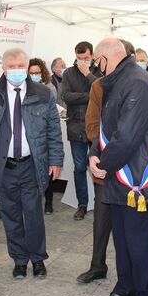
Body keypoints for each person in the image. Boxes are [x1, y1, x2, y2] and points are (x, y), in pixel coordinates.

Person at [89, 38, 148, 296]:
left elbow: (126, 137)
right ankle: (125, 287)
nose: (95, 65)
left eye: (96, 60)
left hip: (137, 178)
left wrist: (102, 165)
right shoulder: (119, 80)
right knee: (123, 239)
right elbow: (108, 127)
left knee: (137, 241)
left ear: (105, 58)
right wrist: (94, 152)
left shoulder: (136, 82)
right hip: (121, 174)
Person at [0, 48, 64, 279]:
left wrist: (55, 160)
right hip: (4, 166)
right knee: (11, 215)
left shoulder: (44, 94)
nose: (16, 70)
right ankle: (19, 260)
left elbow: (54, 130)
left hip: (31, 164)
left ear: (27, 67)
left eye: (20, 66)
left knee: (33, 214)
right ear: (3, 68)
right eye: (11, 66)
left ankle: (37, 258)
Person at [77, 39, 135, 285]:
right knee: (102, 220)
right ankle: (97, 265)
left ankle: (131, 274)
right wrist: (102, 151)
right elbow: (92, 124)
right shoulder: (99, 86)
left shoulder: (141, 84)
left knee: (131, 227)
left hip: (133, 169)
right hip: (103, 162)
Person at [61, 41, 102, 220]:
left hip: (96, 127)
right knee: (79, 167)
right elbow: (67, 96)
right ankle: (82, 204)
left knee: (99, 166)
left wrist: (88, 75)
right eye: (79, 58)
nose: (82, 62)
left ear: (92, 55)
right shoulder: (69, 73)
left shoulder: (100, 71)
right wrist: (89, 97)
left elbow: (103, 91)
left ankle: (100, 203)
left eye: (85, 58)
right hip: (76, 126)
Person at [28, 57, 58, 214]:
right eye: (31, 73)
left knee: (48, 170)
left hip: (45, 135)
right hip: (30, 137)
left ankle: (49, 201)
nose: (34, 75)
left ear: (42, 73)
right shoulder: (23, 89)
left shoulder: (50, 89)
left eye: (37, 73)